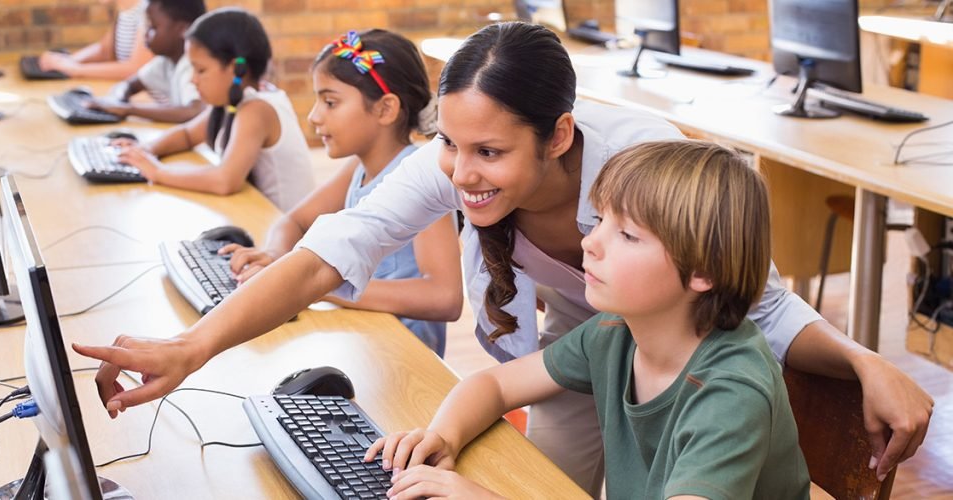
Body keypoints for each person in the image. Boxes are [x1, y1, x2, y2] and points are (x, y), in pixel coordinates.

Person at [73, 22, 931, 494]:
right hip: (601, 358)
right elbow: (331, 254)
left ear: (560, 136)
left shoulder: (646, 172)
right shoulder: (599, 328)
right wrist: (192, 351)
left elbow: (758, 302)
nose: (459, 172)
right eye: (450, 144)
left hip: (672, 360)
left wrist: (861, 362)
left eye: (488, 152)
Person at [369, 139, 810, 499]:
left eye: (628, 235)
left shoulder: (730, 392)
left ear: (704, 272)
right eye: (600, 220)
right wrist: (442, 438)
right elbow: (495, 384)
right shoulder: (618, 332)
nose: (591, 244)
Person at [221, 29, 461, 356]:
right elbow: (294, 221)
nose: (314, 116)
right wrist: (277, 258)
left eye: (330, 102)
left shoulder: (420, 178)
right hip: (362, 339)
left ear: (385, 109)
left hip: (404, 358)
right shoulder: (359, 167)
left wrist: (320, 287)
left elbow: (444, 297)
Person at [110, 8, 315, 211]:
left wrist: (158, 172)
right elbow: (188, 134)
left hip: (286, 233)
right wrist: (146, 149)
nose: (193, 79)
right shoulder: (234, 98)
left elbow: (225, 181)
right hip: (259, 216)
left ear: (235, 69)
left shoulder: (257, 109)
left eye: (201, 70)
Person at [86, 0, 207, 123]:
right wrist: (117, 100)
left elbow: (194, 111)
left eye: (153, 27)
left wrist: (128, 109)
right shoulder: (165, 62)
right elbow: (129, 84)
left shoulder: (192, 65)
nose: (145, 35)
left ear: (183, 29)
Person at [37, 0, 153, 80]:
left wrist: (76, 69)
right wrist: (69, 60)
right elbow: (104, 51)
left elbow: (135, 70)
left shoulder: (149, 11)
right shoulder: (126, 10)